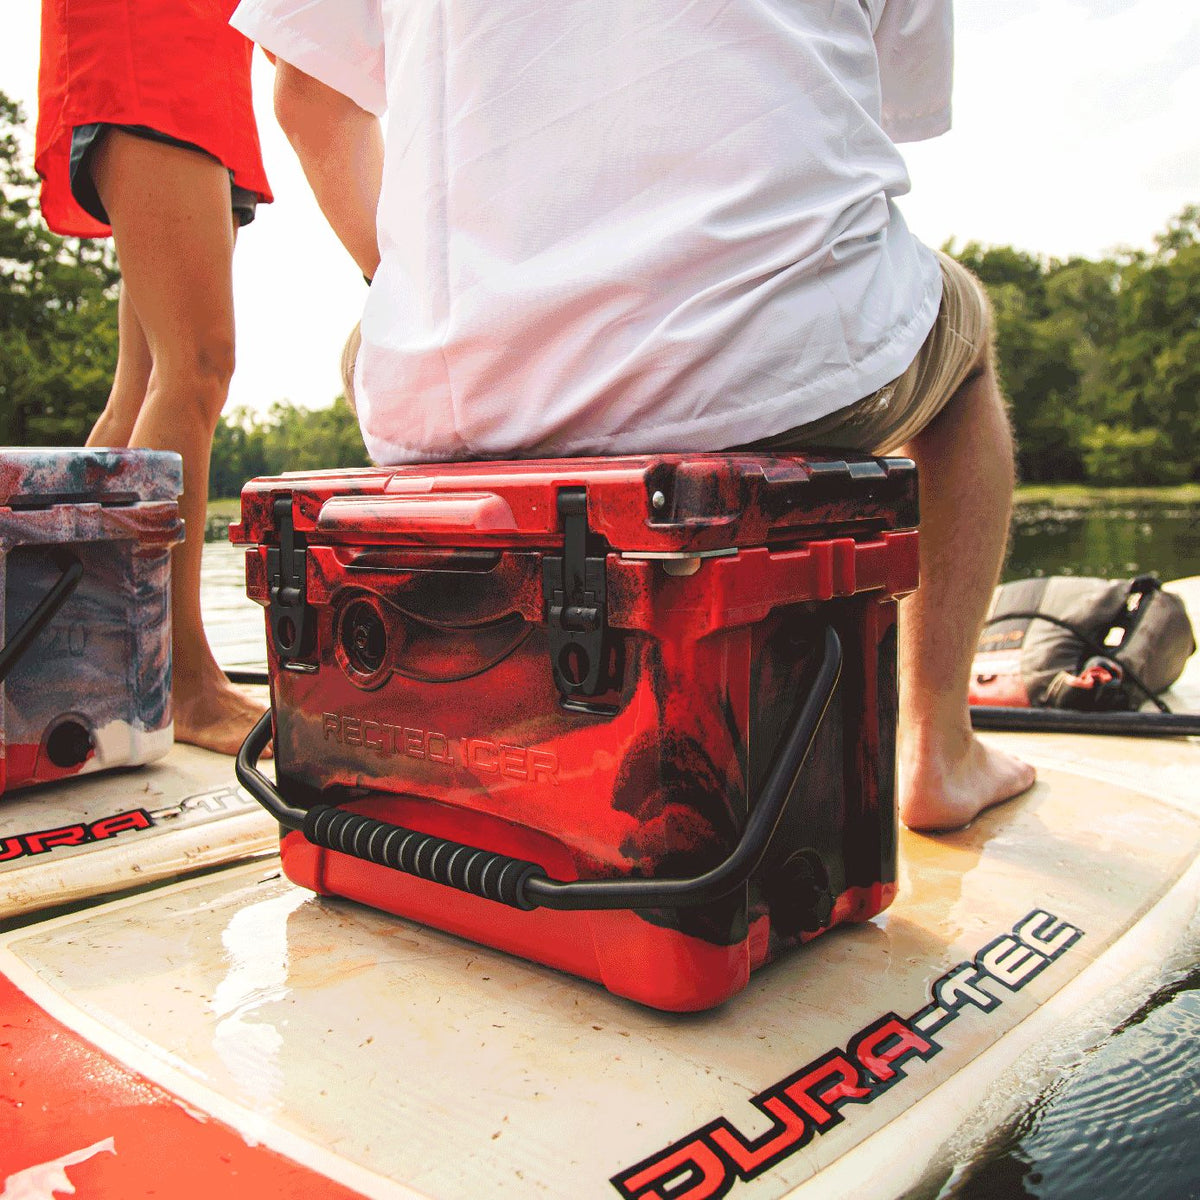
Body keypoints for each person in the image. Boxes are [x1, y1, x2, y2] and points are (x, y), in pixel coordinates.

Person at [230, 0, 1035, 831]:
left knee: (376, 344)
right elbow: (883, 104)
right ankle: (940, 748)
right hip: (760, 358)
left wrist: (410, 299)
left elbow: (305, 98)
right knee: (963, 343)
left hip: (459, 395)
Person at [36, 0, 274, 755]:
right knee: (196, 364)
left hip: (207, 51)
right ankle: (181, 684)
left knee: (142, 384)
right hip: (149, 42)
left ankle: (74, 656)